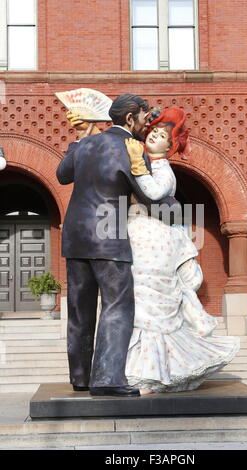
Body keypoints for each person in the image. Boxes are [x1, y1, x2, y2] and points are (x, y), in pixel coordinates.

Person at [56, 94, 181, 397]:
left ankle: (81, 376)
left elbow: (62, 175)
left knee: (79, 309)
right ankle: (108, 379)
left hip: (75, 235)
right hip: (108, 234)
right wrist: (172, 204)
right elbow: (149, 194)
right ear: (129, 119)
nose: (146, 122)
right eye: (142, 116)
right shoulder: (131, 147)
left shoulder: (85, 144)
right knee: (117, 306)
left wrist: (77, 141)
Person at [124, 107, 240, 394]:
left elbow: (152, 193)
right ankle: (143, 372)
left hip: (155, 242)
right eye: (153, 131)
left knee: (152, 310)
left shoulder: (163, 169)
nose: (155, 136)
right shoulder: (143, 164)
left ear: (170, 145)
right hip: (137, 237)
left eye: (163, 135)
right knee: (139, 308)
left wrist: (137, 165)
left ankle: (153, 375)